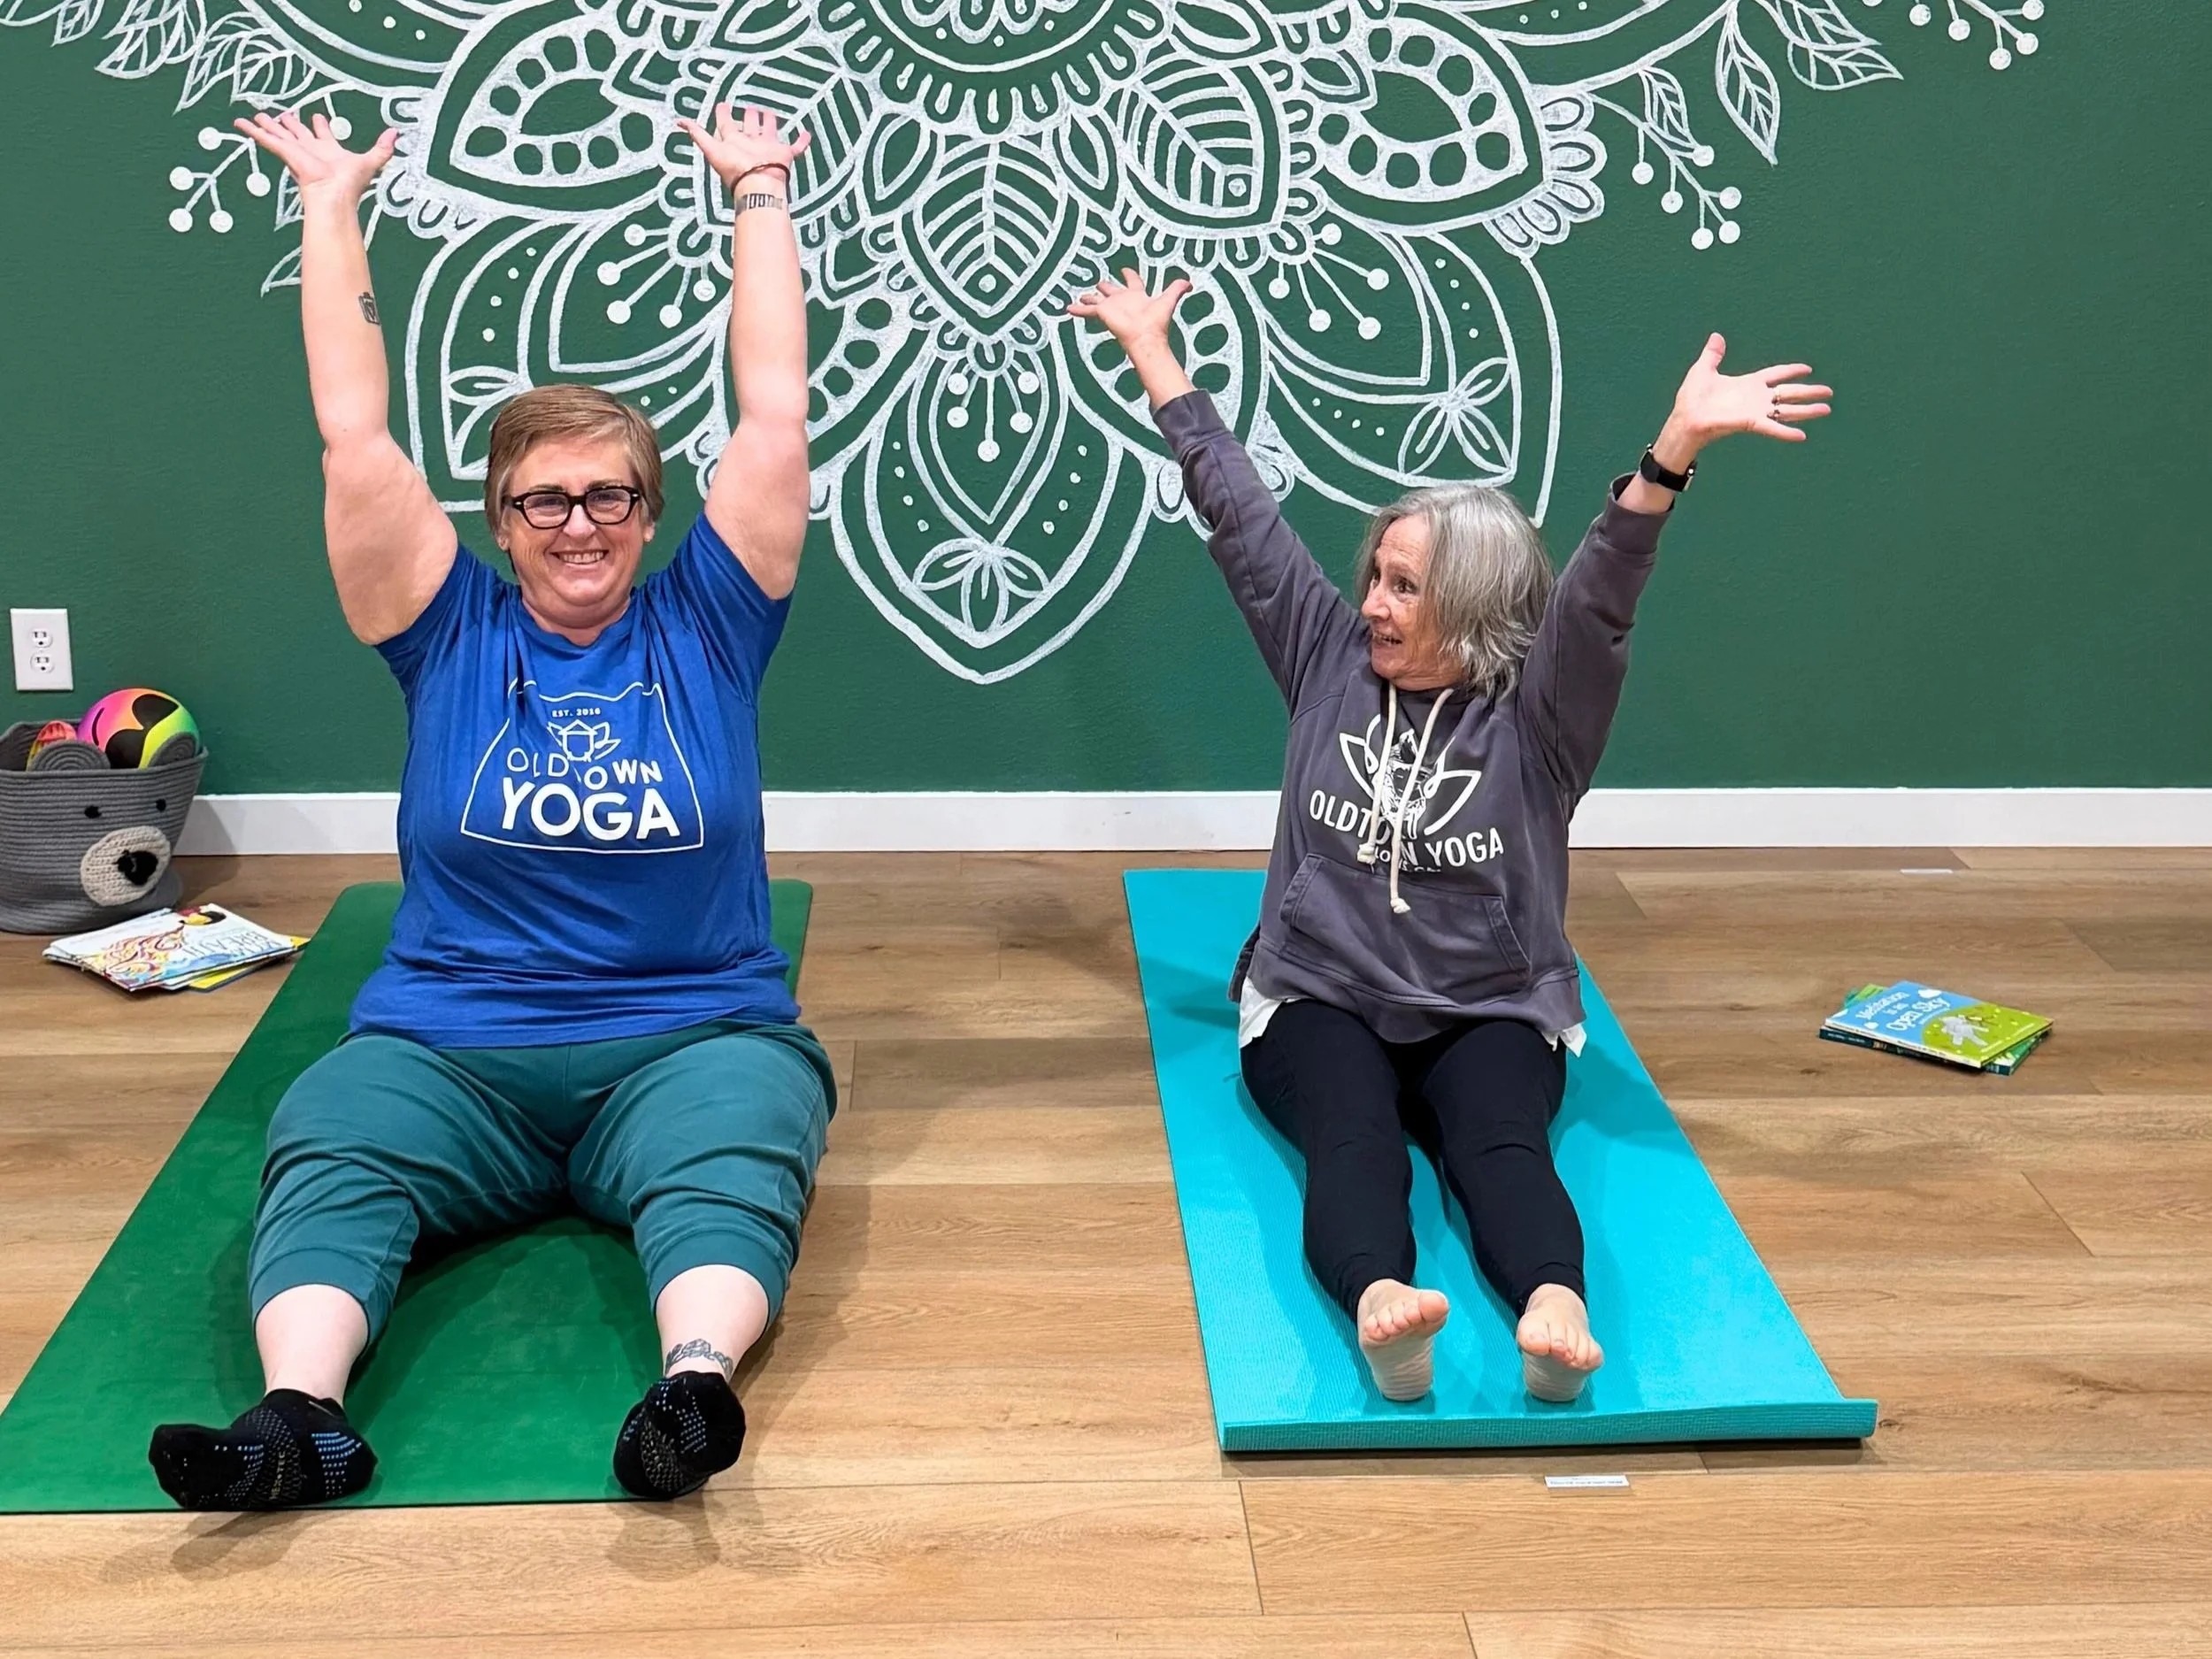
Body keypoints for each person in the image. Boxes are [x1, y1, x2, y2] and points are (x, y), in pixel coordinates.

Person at [148, 104, 829, 1508]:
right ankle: (300, 1419)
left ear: (651, 513)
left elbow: (773, 414)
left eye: (609, 494)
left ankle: (690, 1391)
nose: (578, 520)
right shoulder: (445, 630)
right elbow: (353, 431)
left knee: (737, 1149)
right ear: (497, 522)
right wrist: (330, 201)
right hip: (454, 1040)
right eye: (542, 500)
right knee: (331, 1137)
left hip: (690, 1025)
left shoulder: (712, 620)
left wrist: (760, 189)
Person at [1071, 271, 1830, 1403]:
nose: (1371, 603)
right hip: (1318, 989)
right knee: (1351, 1140)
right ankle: (1385, 1307)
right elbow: (1237, 513)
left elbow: (1601, 597)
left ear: (1472, 608)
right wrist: (1154, 357)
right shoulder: (1327, 658)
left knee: (1499, 1152)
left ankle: (1552, 1311)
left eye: (1404, 588)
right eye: (1375, 576)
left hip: (1490, 1002)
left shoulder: (1539, 714)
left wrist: (1672, 452)